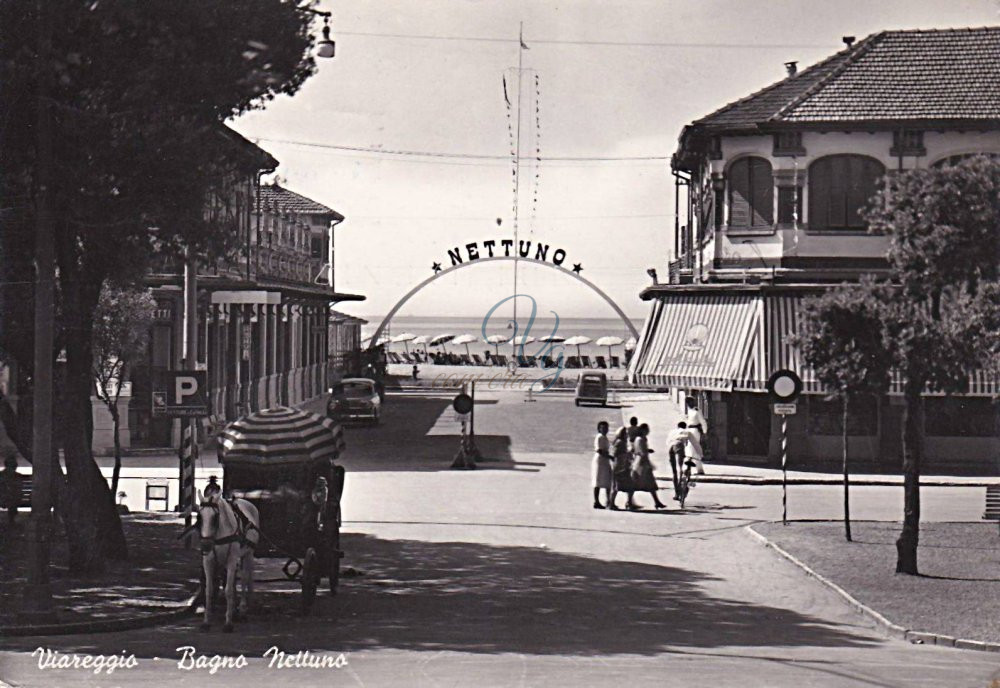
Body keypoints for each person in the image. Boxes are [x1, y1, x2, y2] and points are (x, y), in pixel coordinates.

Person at [631, 424, 666, 509]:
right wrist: (646, 463)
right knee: (635, 484)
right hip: (641, 463)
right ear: (643, 430)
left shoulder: (641, 439)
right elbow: (642, 452)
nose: (648, 431)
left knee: (650, 484)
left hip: (642, 463)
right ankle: (629, 502)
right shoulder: (640, 439)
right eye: (646, 429)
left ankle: (657, 502)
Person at [608, 426, 636, 510]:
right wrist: (628, 453)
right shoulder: (620, 443)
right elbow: (617, 454)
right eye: (626, 433)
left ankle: (612, 503)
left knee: (617, 487)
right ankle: (628, 503)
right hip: (621, 468)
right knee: (629, 487)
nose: (627, 435)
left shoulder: (618, 442)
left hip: (619, 467)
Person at [666, 422, 692, 500]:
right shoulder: (687, 432)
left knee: (674, 471)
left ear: (677, 427)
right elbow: (695, 444)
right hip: (679, 445)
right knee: (681, 468)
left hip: (670, 447)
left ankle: (676, 494)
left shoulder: (672, 431)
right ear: (685, 427)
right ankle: (681, 488)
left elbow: (667, 441)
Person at [591, 421, 613, 509]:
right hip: (600, 460)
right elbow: (599, 450)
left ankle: (608, 500)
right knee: (598, 480)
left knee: (606, 480)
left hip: (605, 460)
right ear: (599, 429)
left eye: (606, 428)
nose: (605, 429)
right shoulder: (599, 437)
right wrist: (609, 456)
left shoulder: (604, 437)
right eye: (603, 428)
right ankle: (596, 501)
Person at [684, 396, 707, 475]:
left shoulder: (697, 411)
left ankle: (687, 468)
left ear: (692, 402)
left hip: (695, 431)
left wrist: (704, 432)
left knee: (691, 448)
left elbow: (703, 422)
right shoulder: (689, 411)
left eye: (689, 402)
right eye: (687, 402)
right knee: (694, 450)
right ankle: (699, 469)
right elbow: (688, 423)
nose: (688, 404)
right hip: (689, 431)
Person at [0, 452, 24, 525]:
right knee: (13, 497)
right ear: (15, 466)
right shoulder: (18, 476)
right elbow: (19, 489)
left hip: (3, 498)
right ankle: (11, 519)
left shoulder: (1, 474)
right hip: (13, 499)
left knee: (11, 496)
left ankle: (11, 519)